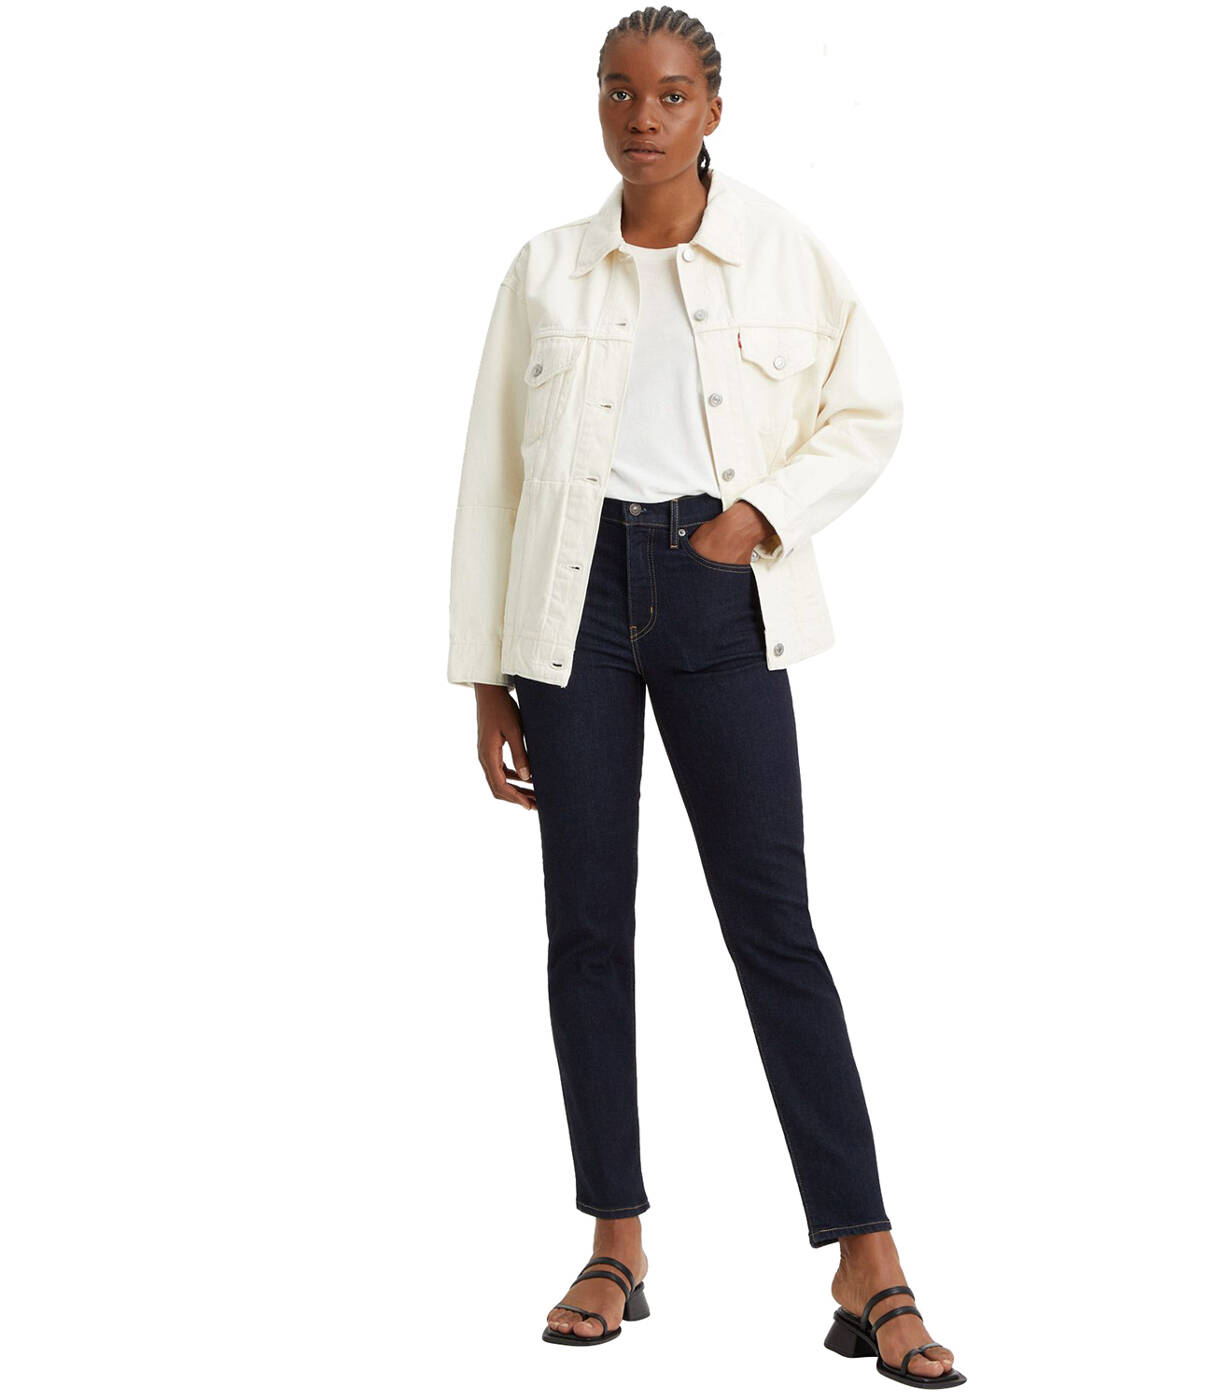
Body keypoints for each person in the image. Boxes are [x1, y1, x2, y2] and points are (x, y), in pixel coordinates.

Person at [447, 7, 965, 1388]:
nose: (644, 117)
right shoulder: (546, 270)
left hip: (718, 590)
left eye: (672, 94)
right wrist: (485, 672)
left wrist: (758, 517)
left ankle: (868, 1257)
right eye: (619, 92)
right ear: (597, 105)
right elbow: (492, 476)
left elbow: (871, 409)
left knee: (773, 926)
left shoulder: (783, 251)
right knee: (586, 928)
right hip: (568, 610)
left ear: (713, 111)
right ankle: (614, 1239)